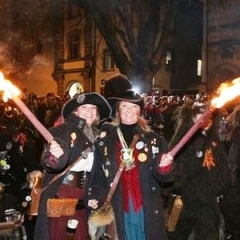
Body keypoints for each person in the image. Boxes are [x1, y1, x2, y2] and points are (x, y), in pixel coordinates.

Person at [86, 90, 174, 240]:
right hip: (119, 204)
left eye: (134, 107)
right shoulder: (104, 141)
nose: (129, 110)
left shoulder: (154, 140)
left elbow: (164, 178)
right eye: (125, 106)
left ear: (140, 111)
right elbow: (99, 175)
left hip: (146, 205)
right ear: (118, 110)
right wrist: (95, 196)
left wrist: (165, 166)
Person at [33, 92, 112, 240]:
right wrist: (54, 156)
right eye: (84, 107)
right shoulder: (62, 130)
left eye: (93, 108)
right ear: (76, 111)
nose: (89, 111)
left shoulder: (96, 137)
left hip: (83, 198)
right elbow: (52, 163)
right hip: (62, 196)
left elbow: (98, 174)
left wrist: (96, 195)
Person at [166, 101, 231, 240]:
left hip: (207, 204)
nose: (205, 120)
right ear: (191, 118)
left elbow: (223, 171)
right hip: (184, 202)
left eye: (209, 117)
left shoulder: (215, 142)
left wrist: (215, 190)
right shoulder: (181, 141)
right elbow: (173, 175)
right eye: (200, 116)